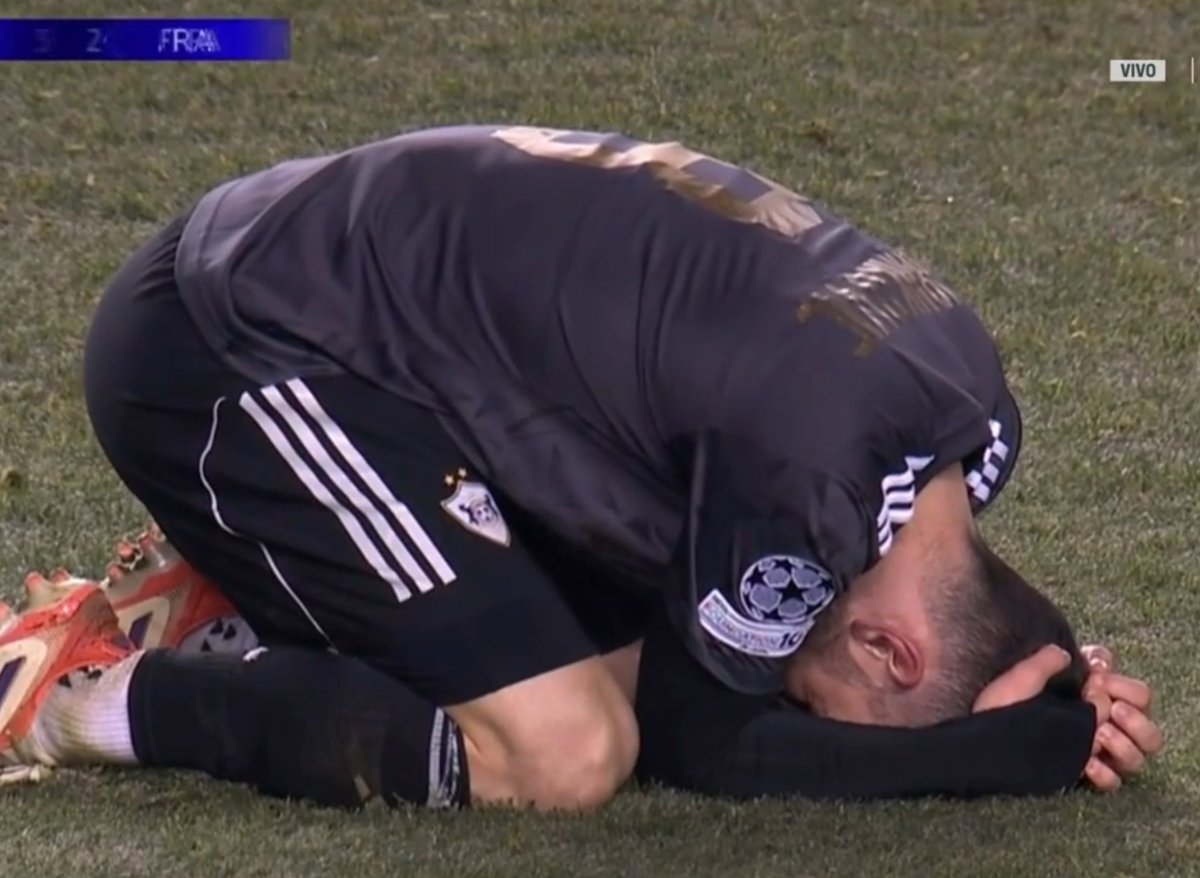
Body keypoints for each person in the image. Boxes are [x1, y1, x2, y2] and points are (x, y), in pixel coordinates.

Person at [0, 126, 1164, 808]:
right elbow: (703, 738)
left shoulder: (973, 414)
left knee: (604, 662)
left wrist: (1056, 663)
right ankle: (69, 696)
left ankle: (218, 590)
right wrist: (1006, 752)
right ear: (888, 646)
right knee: (564, 752)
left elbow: (943, 621)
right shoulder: (809, 484)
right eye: (836, 698)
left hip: (364, 310)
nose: (799, 695)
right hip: (228, 340)